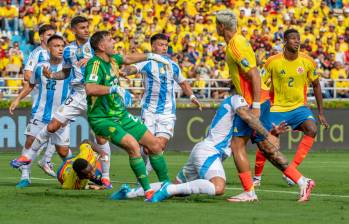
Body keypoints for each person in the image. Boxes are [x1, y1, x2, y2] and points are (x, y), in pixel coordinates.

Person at [215, 10, 315, 202]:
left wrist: (255, 105)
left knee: (237, 145)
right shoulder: (238, 42)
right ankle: (302, 181)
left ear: (221, 26)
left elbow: (253, 73)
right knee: (266, 148)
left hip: (252, 102)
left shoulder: (235, 45)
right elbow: (246, 73)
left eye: (216, 26)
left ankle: (249, 192)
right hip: (255, 100)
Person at [110, 95, 286, 202]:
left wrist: (271, 131)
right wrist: (267, 132)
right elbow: (248, 118)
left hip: (202, 151)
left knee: (176, 186)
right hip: (208, 152)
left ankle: (130, 193)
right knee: (218, 188)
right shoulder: (236, 99)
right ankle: (166, 191)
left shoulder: (239, 108)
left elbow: (249, 132)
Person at [84, 30, 172, 200]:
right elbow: (90, 88)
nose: (113, 43)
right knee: (133, 145)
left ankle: (166, 186)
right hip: (102, 119)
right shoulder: (94, 64)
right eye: (110, 40)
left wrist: (151, 55)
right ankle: (148, 191)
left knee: (154, 145)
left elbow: (128, 59)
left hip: (121, 115)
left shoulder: (113, 59)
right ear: (101, 46)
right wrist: (114, 88)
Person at [253, 29, 329, 187]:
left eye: (298, 39)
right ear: (285, 42)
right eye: (293, 39)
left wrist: (321, 112)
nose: (297, 41)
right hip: (277, 107)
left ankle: (291, 172)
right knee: (266, 139)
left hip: (299, 108)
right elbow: (259, 83)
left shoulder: (308, 61)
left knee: (312, 129)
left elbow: (316, 85)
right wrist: (258, 106)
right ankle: (257, 176)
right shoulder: (272, 62)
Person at [121, 33, 201, 174]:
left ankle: (142, 182)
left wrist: (192, 96)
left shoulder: (173, 65)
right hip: (149, 110)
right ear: (152, 46)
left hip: (167, 112)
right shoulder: (147, 62)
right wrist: (125, 72)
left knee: (159, 145)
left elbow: (183, 82)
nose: (164, 48)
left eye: (166, 45)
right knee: (147, 148)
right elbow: (133, 68)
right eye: (160, 45)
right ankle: (145, 168)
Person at [10, 35, 71, 188]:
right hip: (40, 113)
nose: (60, 48)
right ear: (48, 48)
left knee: (63, 152)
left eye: (62, 45)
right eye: (56, 46)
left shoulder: (69, 67)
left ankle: (77, 175)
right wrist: (17, 99)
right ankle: (25, 177)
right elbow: (30, 86)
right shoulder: (39, 67)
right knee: (30, 141)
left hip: (61, 115)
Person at [9, 24, 58, 178]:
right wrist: (43, 74)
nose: (52, 36)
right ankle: (25, 173)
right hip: (41, 102)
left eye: (54, 34)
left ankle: (46, 160)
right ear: (41, 37)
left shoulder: (59, 53)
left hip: (58, 102)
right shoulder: (37, 54)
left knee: (58, 135)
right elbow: (27, 76)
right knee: (32, 139)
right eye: (49, 34)